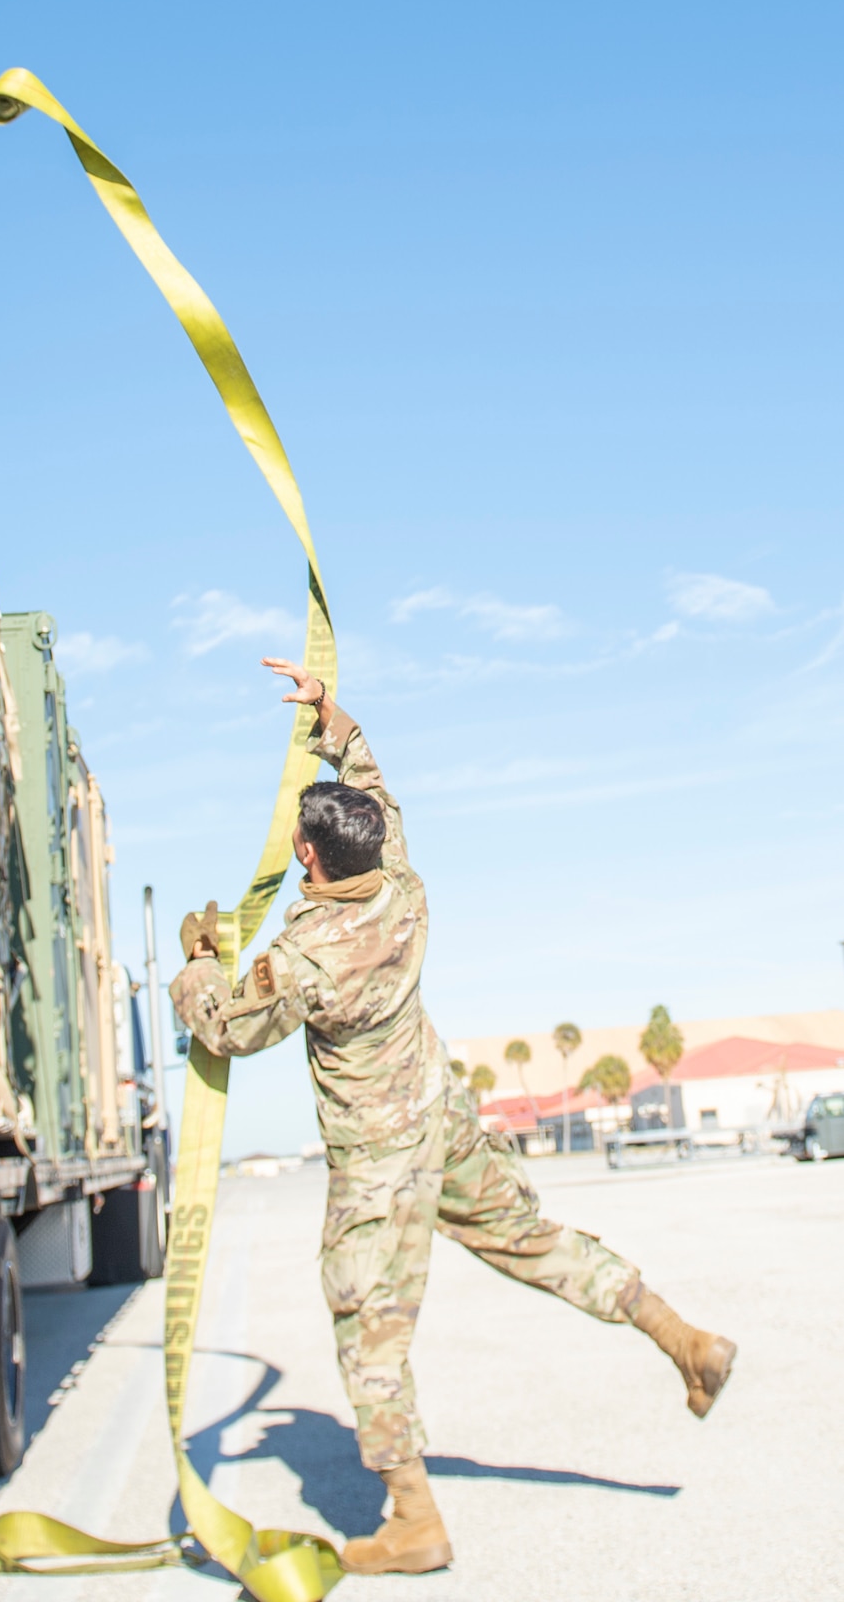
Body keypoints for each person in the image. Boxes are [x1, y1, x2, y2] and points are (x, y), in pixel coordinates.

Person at [170, 658, 736, 1577]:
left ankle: (413, 1520)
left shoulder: (308, 954)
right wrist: (329, 714)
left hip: (380, 1164)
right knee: (531, 1239)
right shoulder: (399, 878)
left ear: (309, 859)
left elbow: (226, 1028)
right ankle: (683, 1339)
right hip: (443, 1119)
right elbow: (371, 784)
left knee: (367, 1328)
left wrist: (198, 960)